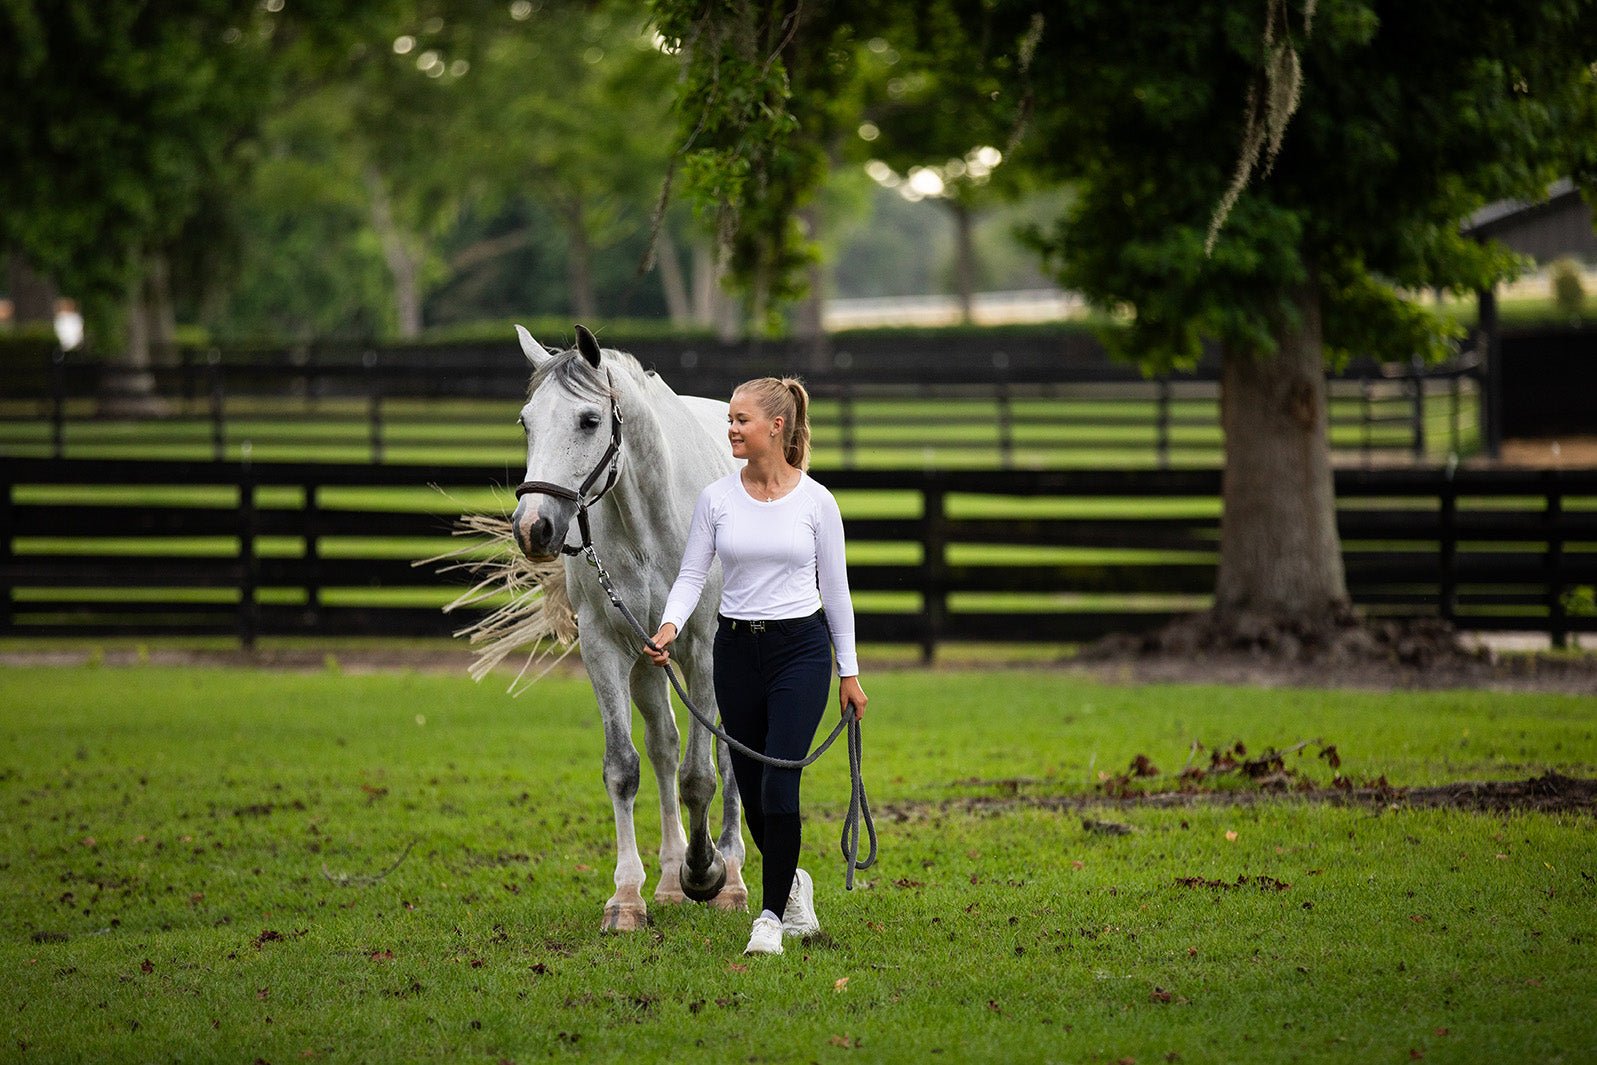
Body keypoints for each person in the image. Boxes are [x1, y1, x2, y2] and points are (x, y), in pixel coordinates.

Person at [646, 376, 868, 957]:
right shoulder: (717, 499)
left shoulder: (818, 502)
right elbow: (692, 575)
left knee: (778, 784)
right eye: (731, 419)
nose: (731, 429)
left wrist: (848, 672)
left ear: (777, 426)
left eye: (742, 420)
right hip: (735, 652)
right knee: (748, 789)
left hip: (801, 651)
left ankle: (769, 919)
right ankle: (793, 883)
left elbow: (837, 593)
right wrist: (669, 626)